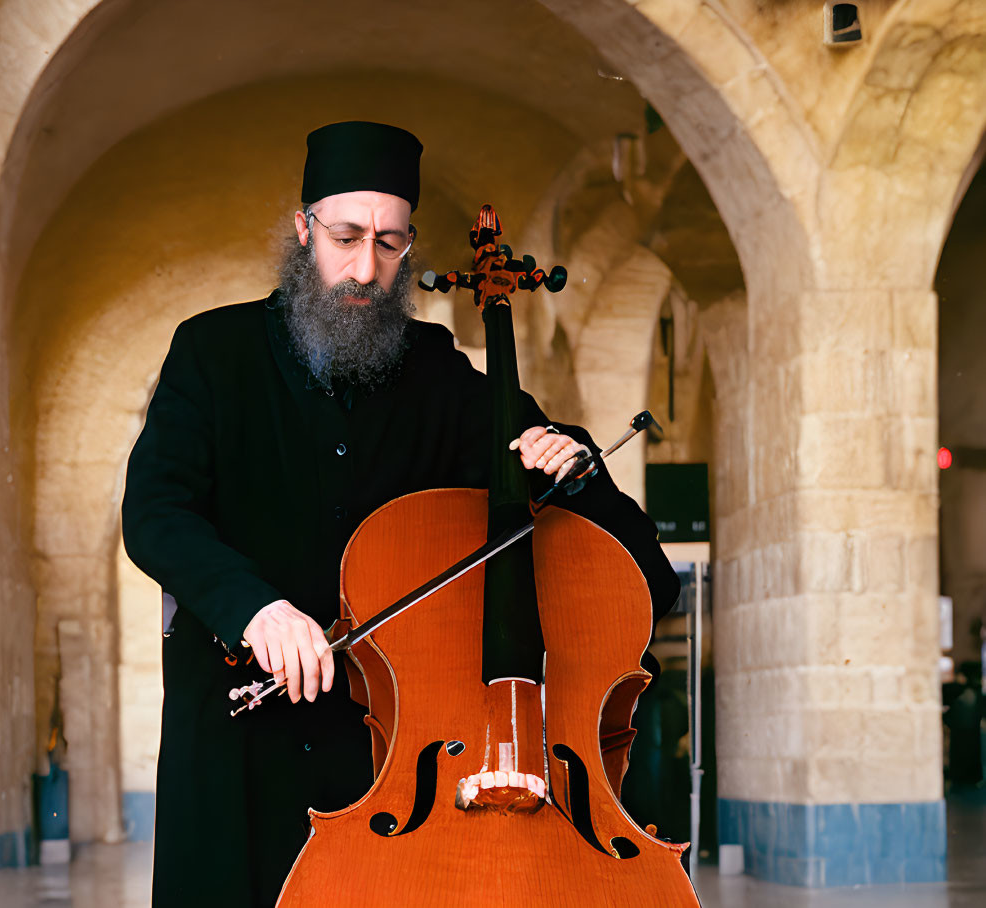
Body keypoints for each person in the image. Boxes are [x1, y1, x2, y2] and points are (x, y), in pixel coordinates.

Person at [121, 120, 679, 907]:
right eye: (346, 237)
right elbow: (155, 511)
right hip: (239, 737)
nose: (364, 267)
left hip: (385, 752)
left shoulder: (440, 375)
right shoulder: (214, 354)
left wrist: (572, 466)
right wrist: (256, 609)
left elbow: (619, 554)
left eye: (389, 244)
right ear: (302, 228)